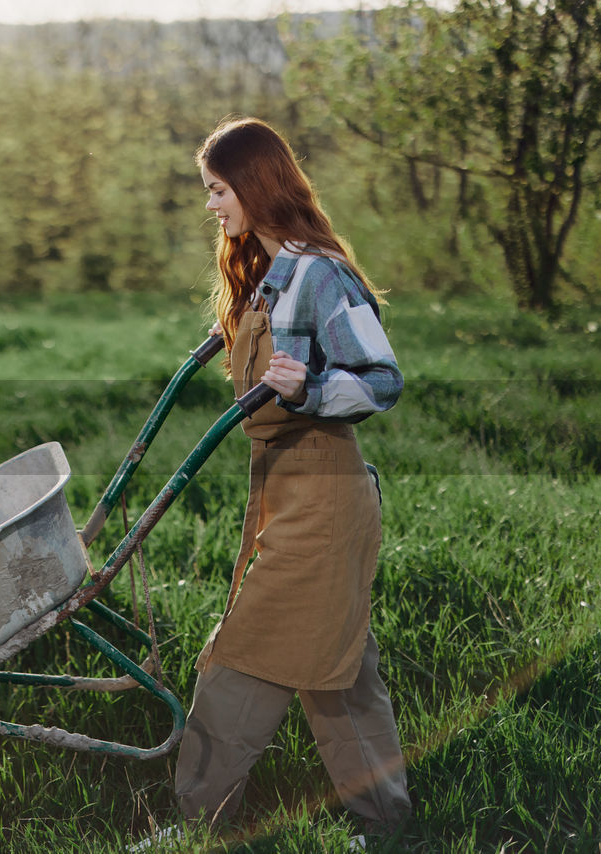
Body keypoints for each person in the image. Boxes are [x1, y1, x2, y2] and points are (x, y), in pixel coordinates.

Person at [161, 117, 413, 844]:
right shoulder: (267, 276)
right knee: (338, 671)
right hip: (289, 495)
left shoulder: (319, 274)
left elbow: (382, 380)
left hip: (324, 497)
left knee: (244, 653)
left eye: (218, 190)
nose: (211, 205)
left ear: (255, 183)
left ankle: (196, 822)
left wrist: (309, 390)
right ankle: (387, 823)